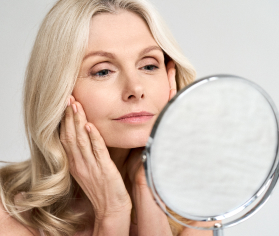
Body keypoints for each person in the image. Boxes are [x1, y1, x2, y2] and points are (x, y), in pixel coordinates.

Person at [0, 0, 213, 235]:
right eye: (103, 71)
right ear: (59, 90)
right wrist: (112, 212)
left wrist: (146, 189)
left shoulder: (196, 210)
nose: (136, 88)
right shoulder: (7, 208)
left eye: (149, 66)